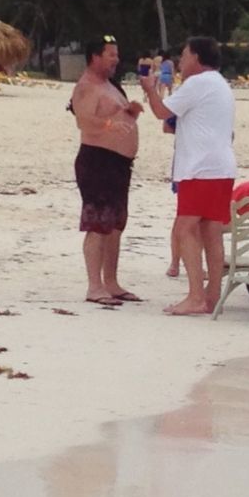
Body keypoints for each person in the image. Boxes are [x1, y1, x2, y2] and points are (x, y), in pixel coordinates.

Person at [142, 36, 236, 316]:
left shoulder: (197, 83)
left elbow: (161, 112)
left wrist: (150, 89)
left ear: (196, 57)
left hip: (201, 168)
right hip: (221, 167)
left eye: (184, 55)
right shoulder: (221, 84)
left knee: (185, 229)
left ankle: (196, 296)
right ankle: (212, 295)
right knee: (211, 231)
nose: (181, 61)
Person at [70, 35, 144, 307]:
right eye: (111, 54)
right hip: (97, 161)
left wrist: (130, 112)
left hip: (119, 164)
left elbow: (115, 117)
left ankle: (111, 282)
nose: (116, 59)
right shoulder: (87, 86)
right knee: (98, 224)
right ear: (95, 57)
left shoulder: (109, 85)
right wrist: (109, 125)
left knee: (115, 225)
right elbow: (83, 120)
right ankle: (94, 286)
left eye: (116, 54)